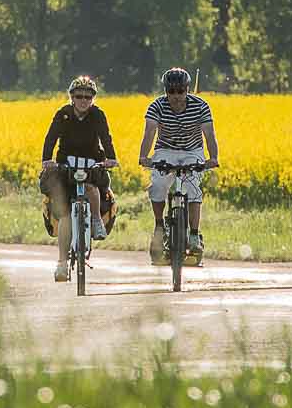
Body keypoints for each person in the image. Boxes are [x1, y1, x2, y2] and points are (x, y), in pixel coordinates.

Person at [40, 74, 119, 283]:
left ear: (93, 98)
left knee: (93, 187)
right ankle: (62, 264)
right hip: (66, 163)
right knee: (65, 214)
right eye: (79, 96)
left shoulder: (97, 115)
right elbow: (51, 137)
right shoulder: (63, 114)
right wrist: (47, 159)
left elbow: (106, 137)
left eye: (87, 97)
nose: (83, 100)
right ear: (72, 98)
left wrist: (111, 158)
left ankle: (95, 220)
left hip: (92, 161)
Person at [137, 66, 219, 262]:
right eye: (171, 91)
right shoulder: (156, 106)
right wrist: (144, 156)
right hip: (166, 150)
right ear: (166, 91)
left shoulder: (200, 106)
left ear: (187, 89)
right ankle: (159, 226)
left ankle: (193, 234)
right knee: (158, 186)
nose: (176, 95)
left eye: (180, 90)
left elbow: (209, 133)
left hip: (193, 151)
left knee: (193, 189)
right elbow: (149, 132)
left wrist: (213, 157)